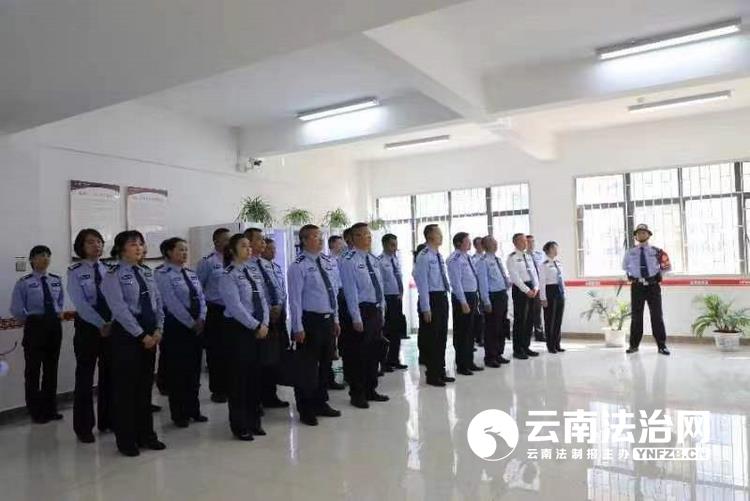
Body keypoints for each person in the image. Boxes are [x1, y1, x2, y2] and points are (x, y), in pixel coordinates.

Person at [101, 230, 166, 457]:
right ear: (121, 249)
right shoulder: (113, 274)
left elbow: (158, 302)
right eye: (133, 244)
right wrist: (141, 335)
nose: (139, 248)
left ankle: (147, 435)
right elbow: (119, 309)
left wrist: (159, 329)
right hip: (128, 336)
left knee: (144, 389)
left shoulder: (146, 272)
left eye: (140, 244)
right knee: (126, 391)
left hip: (150, 334)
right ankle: (127, 440)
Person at [287, 225, 342, 425]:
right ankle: (306, 408)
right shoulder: (298, 266)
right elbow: (295, 300)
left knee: (325, 365)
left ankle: (321, 402)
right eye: (315, 237)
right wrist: (297, 327)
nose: (320, 240)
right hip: (310, 322)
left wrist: (335, 319)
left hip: (327, 320)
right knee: (307, 369)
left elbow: (333, 292)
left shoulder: (327, 262)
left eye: (320, 236)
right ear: (304, 240)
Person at [219, 234, 269, 441]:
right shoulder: (227, 275)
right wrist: (255, 325)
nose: (249, 249)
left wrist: (264, 323)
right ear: (232, 250)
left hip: (258, 328)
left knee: (255, 378)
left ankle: (254, 421)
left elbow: (263, 299)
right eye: (243, 246)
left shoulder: (253, 271)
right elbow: (235, 306)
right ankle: (240, 425)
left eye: (249, 246)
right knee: (239, 380)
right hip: (238, 330)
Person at [154, 237, 208, 427]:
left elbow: (201, 298)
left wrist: (202, 318)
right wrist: (190, 322)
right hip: (176, 327)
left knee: (194, 370)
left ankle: (194, 410)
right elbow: (170, 302)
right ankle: (179, 414)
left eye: (186, 249)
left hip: (197, 327)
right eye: (180, 249)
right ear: (168, 252)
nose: (184, 253)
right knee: (178, 372)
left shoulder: (191, 273)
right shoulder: (162, 274)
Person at [10, 245, 65, 424]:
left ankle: (50, 409)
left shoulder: (56, 280)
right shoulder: (24, 282)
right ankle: (36, 411)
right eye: (41, 255)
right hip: (35, 327)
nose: (45, 258)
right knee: (33, 371)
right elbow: (17, 309)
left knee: (51, 369)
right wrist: (32, 321)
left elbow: (60, 302)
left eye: (48, 255)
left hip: (53, 326)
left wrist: (56, 315)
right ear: (32, 260)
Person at [67, 229, 112, 442]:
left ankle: (107, 420)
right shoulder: (75, 271)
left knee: (109, 375)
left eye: (99, 241)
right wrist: (100, 324)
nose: (97, 245)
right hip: (88, 328)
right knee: (85, 378)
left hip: (111, 327)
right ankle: (83, 427)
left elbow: (117, 298)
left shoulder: (109, 269)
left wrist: (111, 323)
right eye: (91, 242)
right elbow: (81, 303)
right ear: (81, 247)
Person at [339, 222, 389, 408]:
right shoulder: (348, 260)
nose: (368, 238)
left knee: (373, 352)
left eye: (369, 235)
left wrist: (382, 308)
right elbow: (350, 290)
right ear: (354, 238)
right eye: (364, 235)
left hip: (374, 310)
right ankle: (357, 393)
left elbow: (379, 286)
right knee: (358, 355)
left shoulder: (373, 259)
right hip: (361, 310)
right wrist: (356, 317)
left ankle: (371, 389)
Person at [243, 228, 289, 410]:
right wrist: (268, 310)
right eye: (259, 240)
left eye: (264, 240)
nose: (263, 243)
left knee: (272, 359)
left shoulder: (267, 264)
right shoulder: (245, 266)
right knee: (257, 362)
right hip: (258, 319)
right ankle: (256, 400)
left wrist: (279, 305)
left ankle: (270, 396)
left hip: (275, 317)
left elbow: (278, 287)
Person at [413, 225, 455, 387]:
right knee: (433, 338)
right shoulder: (423, 256)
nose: (441, 236)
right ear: (430, 235)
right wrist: (426, 307)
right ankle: (432, 374)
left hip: (442, 297)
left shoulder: (437, 255)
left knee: (442, 337)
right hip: (431, 299)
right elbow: (422, 283)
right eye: (438, 233)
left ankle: (440, 371)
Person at [622, 224, 671, 356]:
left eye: (644, 232)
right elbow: (625, 267)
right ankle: (634, 345)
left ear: (648, 235)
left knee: (657, 316)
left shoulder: (657, 251)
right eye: (639, 233)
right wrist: (630, 276)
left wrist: (659, 275)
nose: (641, 235)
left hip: (653, 286)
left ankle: (662, 345)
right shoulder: (630, 252)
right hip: (637, 287)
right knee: (636, 317)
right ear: (636, 236)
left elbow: (667, 266)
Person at [196, 227, 231, 403]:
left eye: (230, 239)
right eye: (225, 239)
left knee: (231, 350)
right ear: (216, 241)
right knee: (216, 352)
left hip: (233, 311)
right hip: (215, 310)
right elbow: (198, 288)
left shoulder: (234, 260)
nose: (228, 243)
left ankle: (231, 386)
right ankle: (218, 389)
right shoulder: (208, 262)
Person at [447, 232, 484, 376]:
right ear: (459, 243)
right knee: (462, 332)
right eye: (467, 241)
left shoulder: (467, 257)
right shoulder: (454, 259)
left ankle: (469, 362)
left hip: (472, 295)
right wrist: (463, 301)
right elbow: (456, 283)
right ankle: (462, 365)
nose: (470, 243)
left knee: (470, 331)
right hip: (462, 298)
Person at [476, 235, 511, 368]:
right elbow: (483, 283)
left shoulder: (497, 259)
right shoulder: (483, 261)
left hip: (502, 294)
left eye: (495, 242)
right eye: (492, 242)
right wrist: (486, 301)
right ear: (485, 245)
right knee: (492, 328)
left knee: (501, 326)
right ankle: (490, 357)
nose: (496, 244)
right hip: (492, 297)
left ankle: (498, 353)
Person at [507, 233, 540, 360]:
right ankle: (518, 349)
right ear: (515, 243)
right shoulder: (512, 258)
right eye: (522, 241)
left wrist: (536, 287)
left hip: (532, 288)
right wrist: (526, 290)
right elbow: (515, 277)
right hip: (521, 290)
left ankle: (526, 346)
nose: (525, 243)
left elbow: (534, 274)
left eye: (526, 240)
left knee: (530, 319)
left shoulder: (528, 256)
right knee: (520, 320)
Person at [378, 234, 408, 371]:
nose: (395, 247)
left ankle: (394, 359)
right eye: (392, 245)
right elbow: (379, 283)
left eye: (396, 244)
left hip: (396, 298)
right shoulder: (380, 261)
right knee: (387, 331)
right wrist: (382, 302)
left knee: (396, 331)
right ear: (384, 245)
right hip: (387, 299)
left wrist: (401, 293)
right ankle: (384, 362)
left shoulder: (395, 260)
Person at [326, 234, 347, 390]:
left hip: (344, 295)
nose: (343, 246)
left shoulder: (344, 260)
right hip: (335, 296)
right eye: (340, 243)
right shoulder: (328, 262)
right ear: (332, 245)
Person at [538, 241, 566, 355]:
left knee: (558, 320)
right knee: (550, 320)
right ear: (549, 250)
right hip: (550, 291)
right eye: (554, 248)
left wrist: (564, 293)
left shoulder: (558, 263)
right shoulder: (543, 265)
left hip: (559, 292)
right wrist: (543, 298)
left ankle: (557, 344)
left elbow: (562, 280)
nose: (556, 250)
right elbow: (542, 283)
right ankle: (550, 345)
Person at [526, 235, 546, 342]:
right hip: (529, 286)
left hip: (539, 286)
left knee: (537, 311)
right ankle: (527, 334)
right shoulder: (523, 257)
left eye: (533, 242)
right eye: (529, 242)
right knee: (528, 312)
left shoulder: (540, 255)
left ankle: (539, 334)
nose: (531, 244)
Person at [471, 236, 486, 347]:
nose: (481, 246)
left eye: (482, 243)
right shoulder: (473, 259)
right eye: (479, 244)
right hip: (478, 290)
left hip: (489, 290)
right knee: (479, 314)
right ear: (475, 246)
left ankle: (486, 336)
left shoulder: (488, 257)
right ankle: (480, 337)